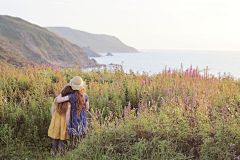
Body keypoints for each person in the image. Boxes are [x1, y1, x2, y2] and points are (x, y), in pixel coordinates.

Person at [57, 76, 89, 148]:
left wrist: (62, 93)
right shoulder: (85, 96)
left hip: (74, 120)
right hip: (82, 119)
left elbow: (58, 100)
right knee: (82, 138)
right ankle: (81, 150)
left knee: (74, 139)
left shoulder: (70, 96)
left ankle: (74, 150)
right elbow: (87, 108)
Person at [48, 85, 74, 157]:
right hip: (63, 122)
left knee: (55, 138)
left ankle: (54, 155)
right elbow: (67, 115)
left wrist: (54, 118)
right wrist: (68, 124)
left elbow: (52, 110)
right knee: (62, 139)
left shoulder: (56, 99)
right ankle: (62, 156)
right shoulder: (68, 103)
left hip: (55, 120)